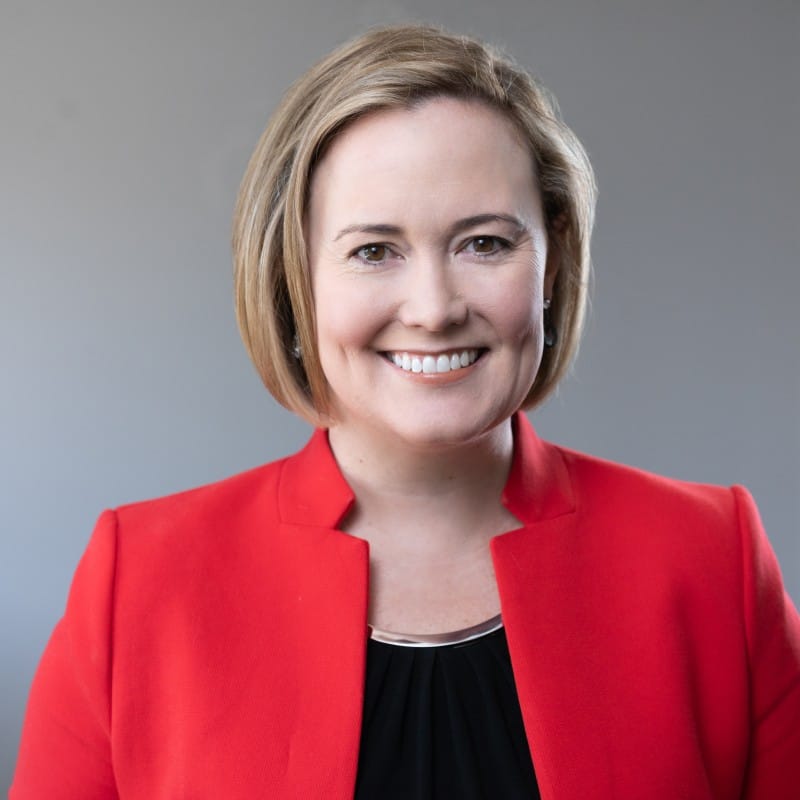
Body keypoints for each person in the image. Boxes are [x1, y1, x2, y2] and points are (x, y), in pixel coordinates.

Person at [10, 24, 800, 800]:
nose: (433, 308)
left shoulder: (711, 556)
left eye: (485, 243)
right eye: (373, 251)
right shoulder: (139, 579)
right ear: (294, 278)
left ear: (555, 259)